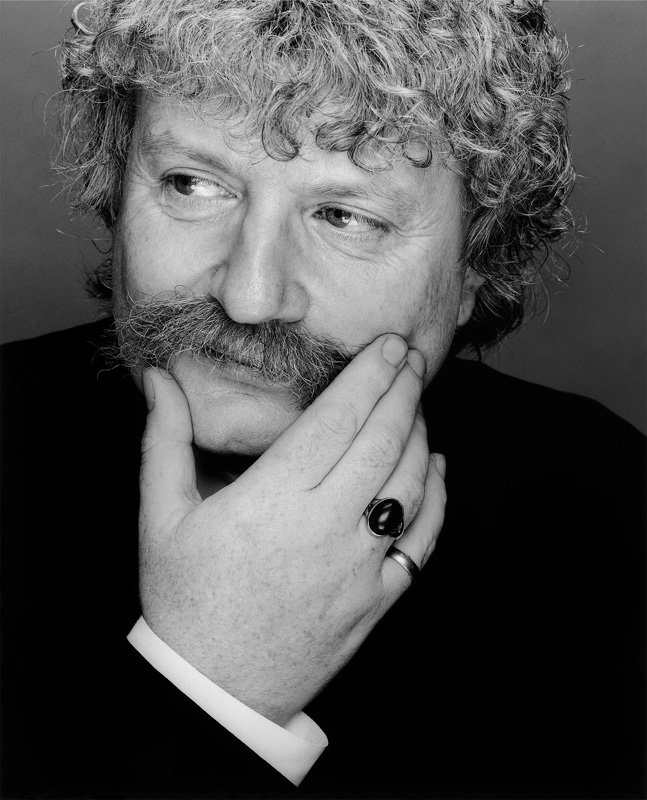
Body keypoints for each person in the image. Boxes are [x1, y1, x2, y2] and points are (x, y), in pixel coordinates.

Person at [1, 1, 644, 797]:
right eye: (192, 184)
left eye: (345, 217)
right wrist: (211, 682)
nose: (249, 297)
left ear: (477, 262)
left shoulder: (616, 510)